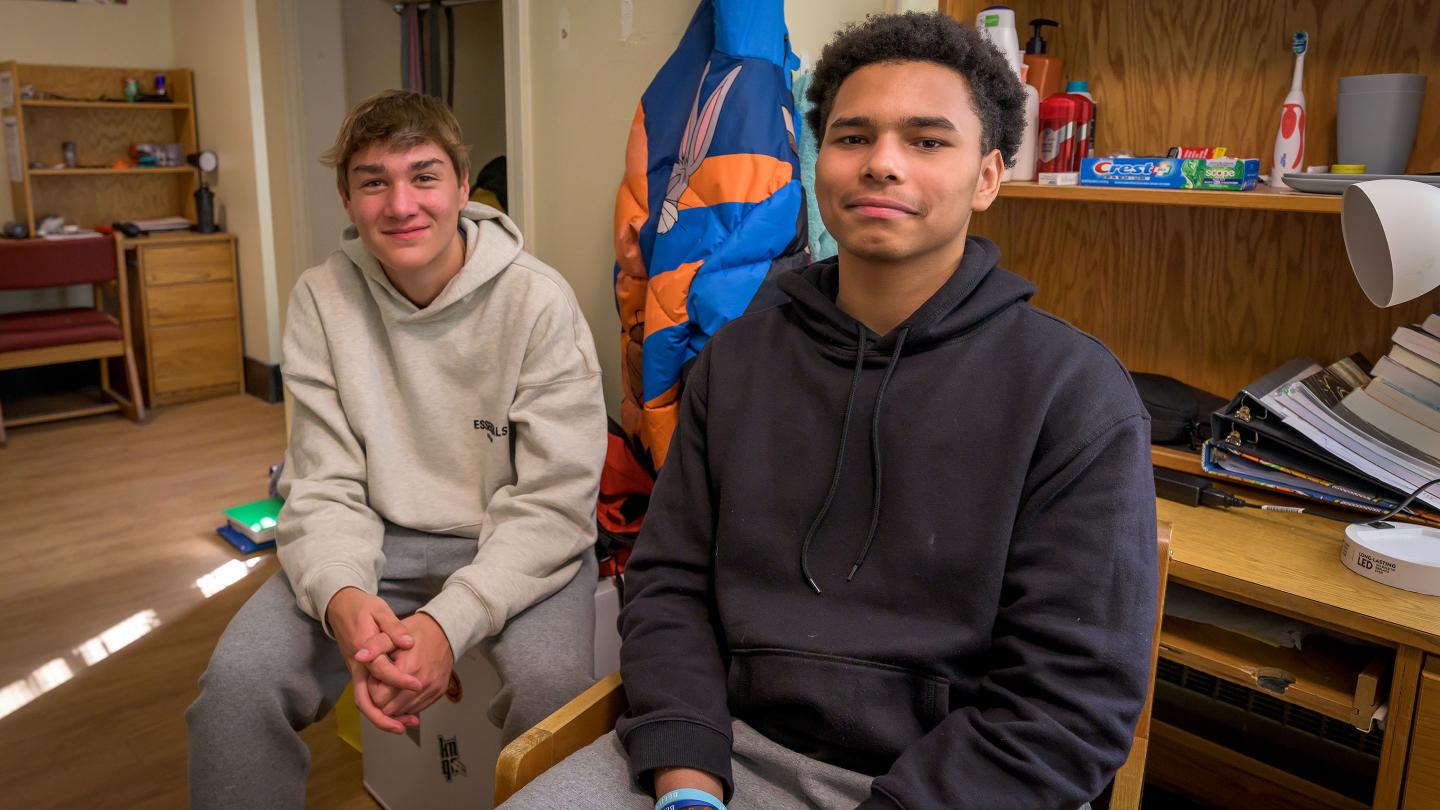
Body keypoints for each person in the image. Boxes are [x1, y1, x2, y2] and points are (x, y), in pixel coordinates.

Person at [502, 12, 1157, 810]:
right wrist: (687, 781)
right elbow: (668, 584)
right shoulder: (737, 359)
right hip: (721, 748)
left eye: (926, 140)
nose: (882, 163)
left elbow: (1068, 707)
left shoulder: (1073, 392)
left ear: (988, 177)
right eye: (853, 137)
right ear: (818, 166)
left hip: (949, 781)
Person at [186, 90, 608, 808]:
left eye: (423, 175)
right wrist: (343, 596)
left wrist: (449, 622)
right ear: (348, 201)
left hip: (516, 542)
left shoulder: (539, 301)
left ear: (464, 187)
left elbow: (555, 503)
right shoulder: (322, 299)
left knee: (556, 693)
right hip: (375, 538)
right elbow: (322, 482)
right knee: (236, 686)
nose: (400, 203)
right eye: (373, 181)